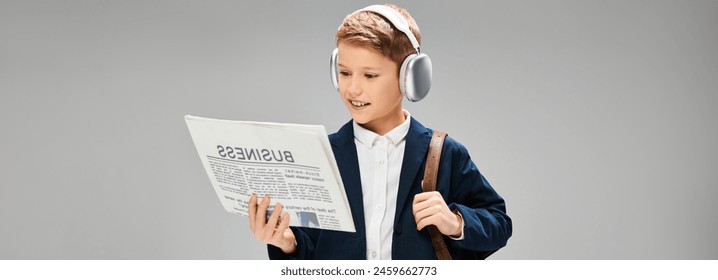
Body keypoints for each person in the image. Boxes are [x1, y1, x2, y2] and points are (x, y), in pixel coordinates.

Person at [247, 3, 512, 260]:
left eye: (370, 75)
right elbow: (311, 249)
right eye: (345, 73)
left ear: (409, 77)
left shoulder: (444, 153)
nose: (353, 89)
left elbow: (500, 223)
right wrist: (287, 244)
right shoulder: (320, 156)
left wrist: (455, 222)